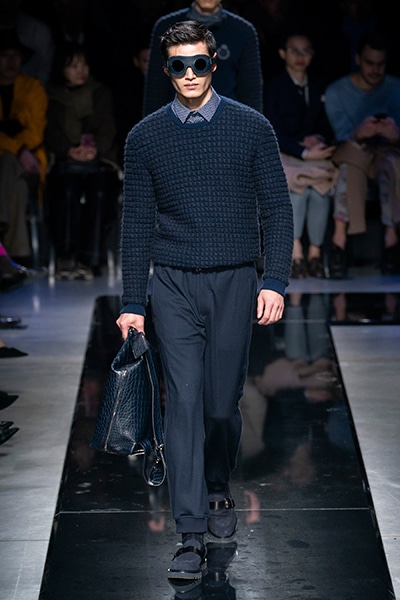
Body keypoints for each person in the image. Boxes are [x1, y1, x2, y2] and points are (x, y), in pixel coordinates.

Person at [116, 20, 293, 590]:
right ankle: (190, 530)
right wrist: (133, 300)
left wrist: (275, 280)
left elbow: (277, 207)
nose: (189, 74)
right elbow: (136, 223)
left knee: (221, 405)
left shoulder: (251, 127)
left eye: (198, 63)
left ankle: (219, 487)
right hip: (171, 283)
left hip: (235, 280)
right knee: (184, 403)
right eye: (178, 65)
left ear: (214, 63)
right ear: (165, 70)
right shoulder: (145, 137)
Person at [325, 32, 400, 277]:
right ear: (358, 59)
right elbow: (339, 137)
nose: (375, 70)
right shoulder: (337, 92)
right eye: (370, 63)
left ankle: (391, 239)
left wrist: (395, 134)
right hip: (353, 154)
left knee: (390, 165)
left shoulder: (395, 88)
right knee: (350, 168)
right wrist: (359, 133)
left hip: (387, 155)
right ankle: (339, 243)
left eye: (380, 64)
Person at [264, 32, 337, 279]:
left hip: (316, 155)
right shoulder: (273, 87)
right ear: (282, 54)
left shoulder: (318, 86)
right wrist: (303, 151)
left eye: (305, 50)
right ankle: (295, 254)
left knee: (321, 190)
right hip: (286, 154)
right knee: (297, 189)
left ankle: (315, 254)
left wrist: (318, 138)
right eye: (294, 50)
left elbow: (328, 123)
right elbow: (272, 129)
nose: (300, 56)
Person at [45, 42, 121, 280]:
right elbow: (51, 132)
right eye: (74, 66)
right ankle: (66, 255)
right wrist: (69, 150)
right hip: (66, 161)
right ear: (62, 69)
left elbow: (107, 128)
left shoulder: (100, 92)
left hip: (99, 161)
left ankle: (90, 259)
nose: (81, 71)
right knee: (66, 190)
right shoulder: (52, 95)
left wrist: (94, 149)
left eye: (84, 65)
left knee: (99, 191)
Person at [142, 0, 263, 117]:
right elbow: (155, 90)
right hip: (176, 120)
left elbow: (251, 92)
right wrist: (151, 127)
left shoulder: (243, 31)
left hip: (229, 122)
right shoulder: (166, 27)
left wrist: (252, 127)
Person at [0, 28, 48, 263]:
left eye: (16, 56)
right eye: (4, 55)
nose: (11, 62)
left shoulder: (32, 88)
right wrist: (17, 149)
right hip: (21, 159)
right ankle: (17, 255)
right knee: (12, 172)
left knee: (10, 165)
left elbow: (35, 132)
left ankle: (3, 233)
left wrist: (12, 146)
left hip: (30, 161)